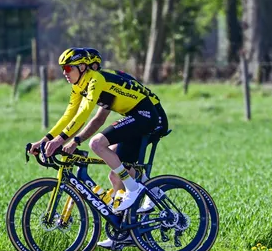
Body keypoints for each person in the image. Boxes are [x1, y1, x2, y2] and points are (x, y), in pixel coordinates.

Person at [29, 48, 168, 219]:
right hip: (137, 116)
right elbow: (69, 116)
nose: (64, 73)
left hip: (148, 116)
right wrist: (44, 141)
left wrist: (62, 140)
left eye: (68, 68)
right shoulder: (79, 86)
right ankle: (127, 222)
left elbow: (84, 114)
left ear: (82, 67)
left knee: (97, 144)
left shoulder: (96, 80)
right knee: (115, 172)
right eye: (63, 69)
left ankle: (135, 189)